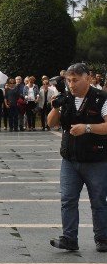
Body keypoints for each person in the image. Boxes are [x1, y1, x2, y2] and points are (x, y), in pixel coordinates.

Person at [47, 63, 107, 252]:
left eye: (75, 80)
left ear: (88, 78)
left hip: (96, 160)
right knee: (67, 200)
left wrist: (87, 128)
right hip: (70, 160)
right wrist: (56, 108)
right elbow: (51, 123)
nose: (71, 85)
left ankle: (103, 238)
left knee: (98, 200)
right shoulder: (66, 99)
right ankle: (69, 238)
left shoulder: (101, 99)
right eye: (68, 80)